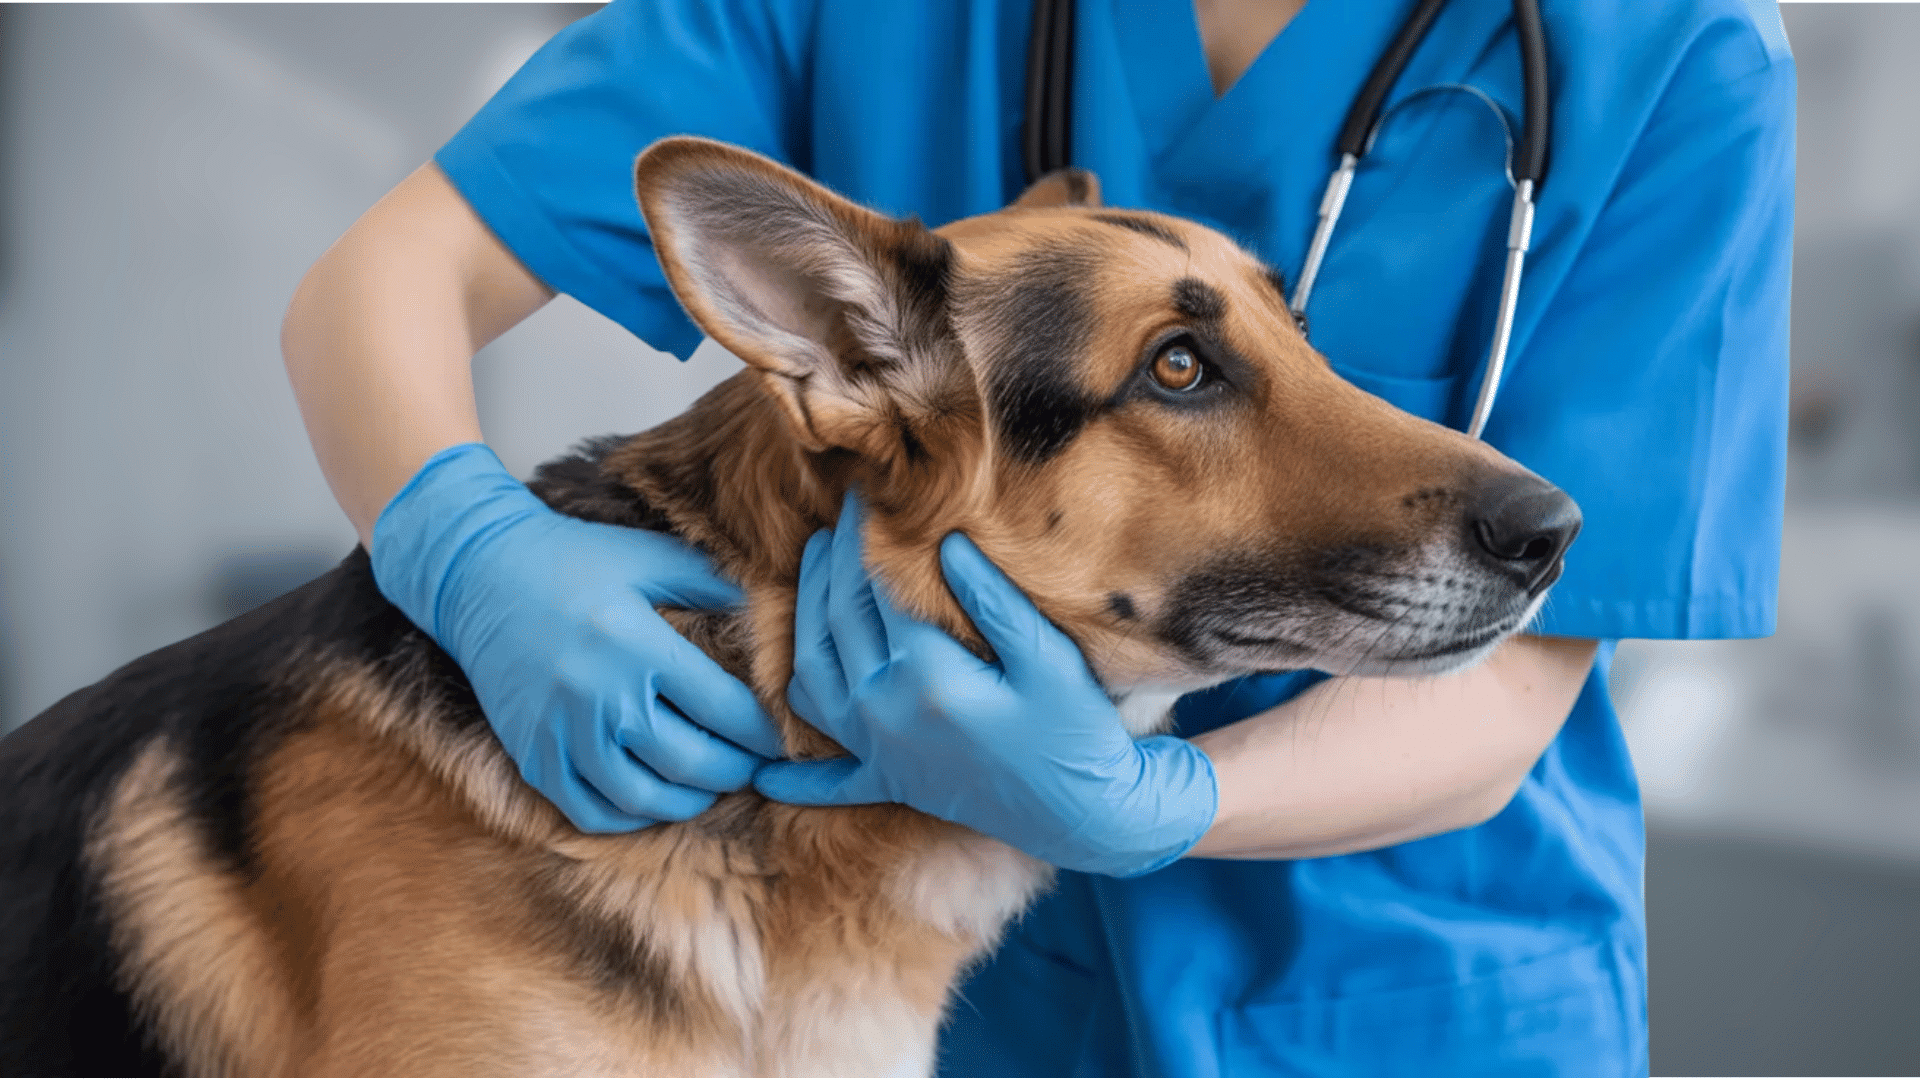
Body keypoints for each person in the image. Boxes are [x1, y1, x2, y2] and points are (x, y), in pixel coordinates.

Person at [280, 0, 1794, 1073]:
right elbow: (393, 273)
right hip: (930, 986)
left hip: (1404, 1002)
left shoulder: (1678, 48)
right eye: (1190, 369)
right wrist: (465, 547)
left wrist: (1145, 797)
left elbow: (1509, 687)